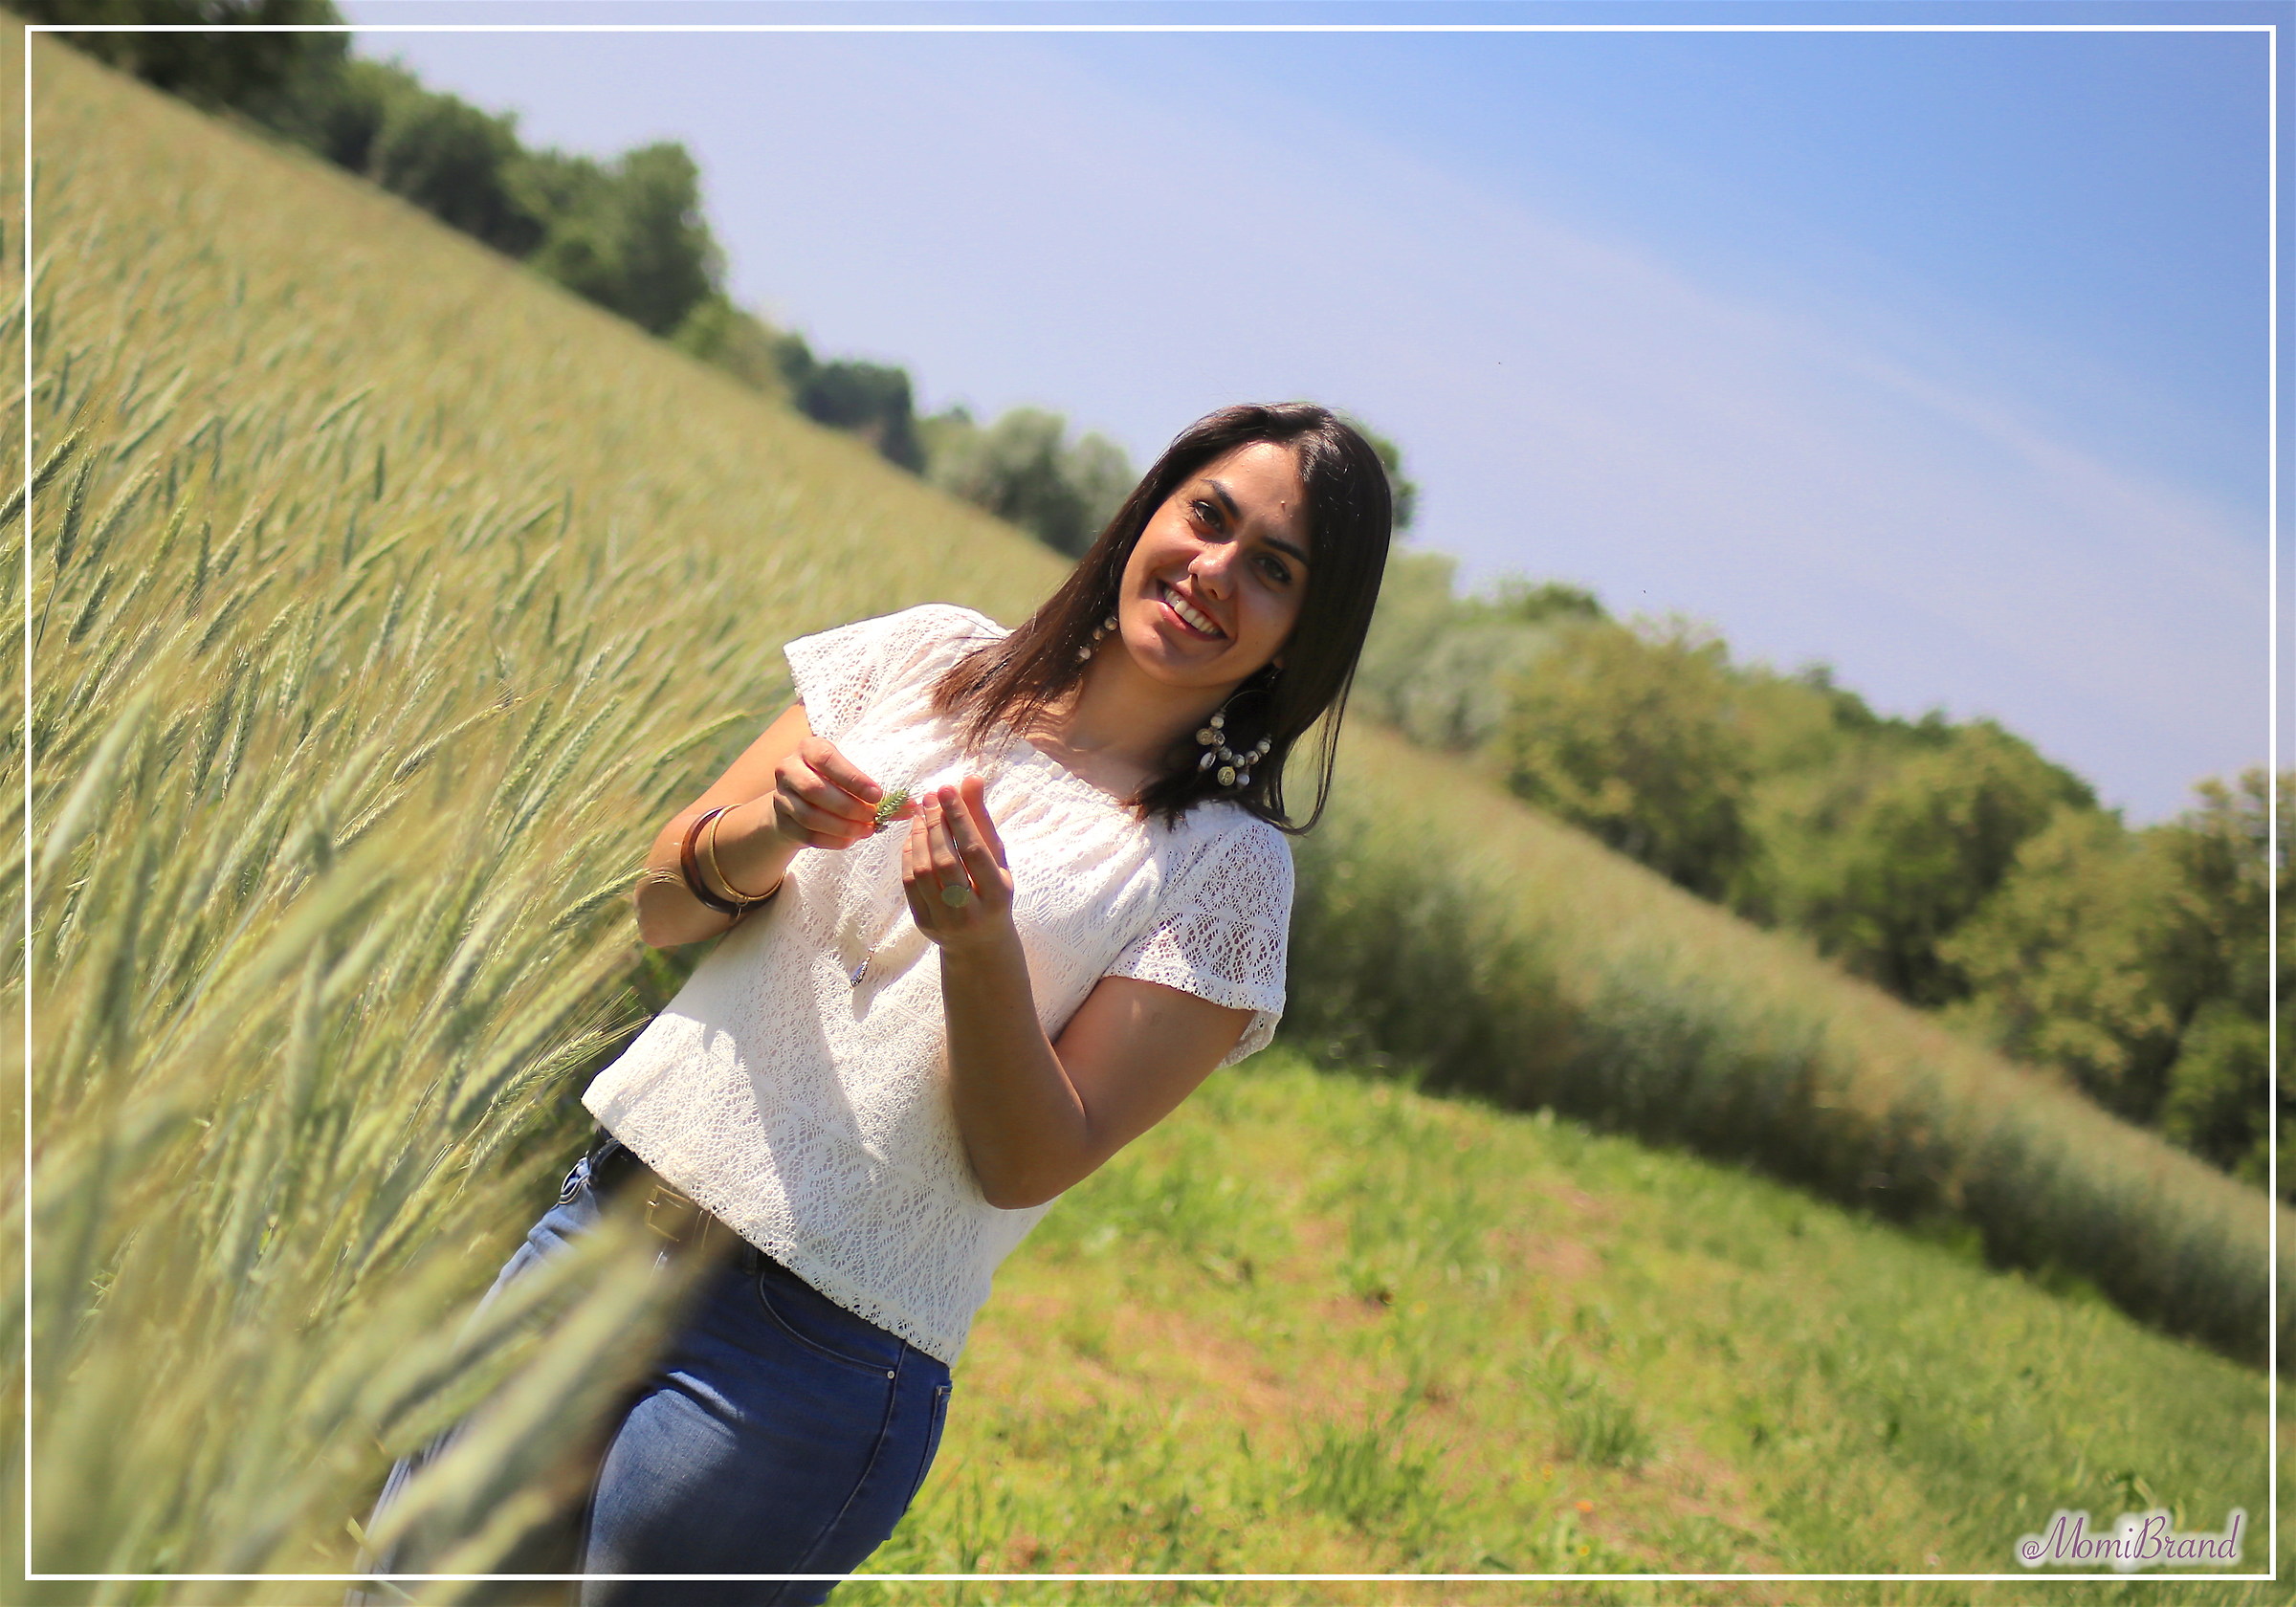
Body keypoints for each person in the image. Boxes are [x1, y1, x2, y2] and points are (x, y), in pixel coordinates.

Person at [350, 401, 1393, 1606]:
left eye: (1274, 571)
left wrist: (982, 949)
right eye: (1207, 517)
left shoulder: (1226, 870)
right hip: (603, 1228)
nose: (1215, 570)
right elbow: (664, 907)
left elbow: (1029, 1160)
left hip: (807, 1359)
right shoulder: (926, 661)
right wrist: (776, 827)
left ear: (1301, 637)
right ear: (1148, 512)